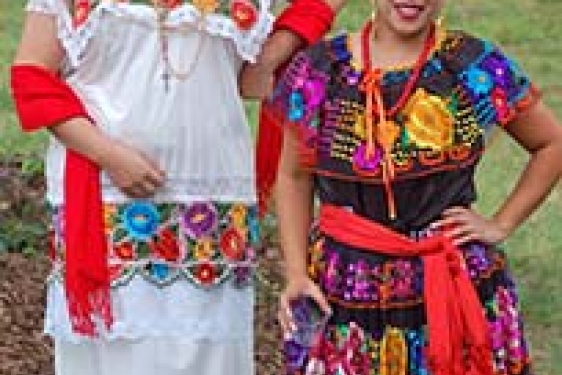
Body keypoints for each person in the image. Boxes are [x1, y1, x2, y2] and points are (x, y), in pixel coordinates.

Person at [9, 0, 346, 374]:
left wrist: (314, 14)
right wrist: (109, 155)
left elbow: (253, 76)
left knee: (206, 356)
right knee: (115, 354)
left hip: (211, 198)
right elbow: (33, 77)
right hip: (106, 195)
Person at [261, 0, 562, 374]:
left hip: (452, 281)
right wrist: (295, 273)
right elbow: (294, 175)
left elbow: (551, 144)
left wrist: (500, 223)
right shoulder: (321, 69)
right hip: (345, 286)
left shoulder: (470, 65)